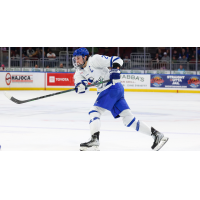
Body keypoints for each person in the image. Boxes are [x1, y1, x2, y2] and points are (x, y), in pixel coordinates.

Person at [73, 47, 169, 151]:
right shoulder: (78, 72)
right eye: (75, 59)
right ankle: (157, 135)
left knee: (95, 112)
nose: (76, 61)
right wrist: (80, 87)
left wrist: (115, 70)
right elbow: (79, 87)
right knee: (128, 119)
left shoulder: (95, 60)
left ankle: (94, 140)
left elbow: (117, 60)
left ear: (85, 57)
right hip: (114, 89)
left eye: (78, 58)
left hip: (111, 87)